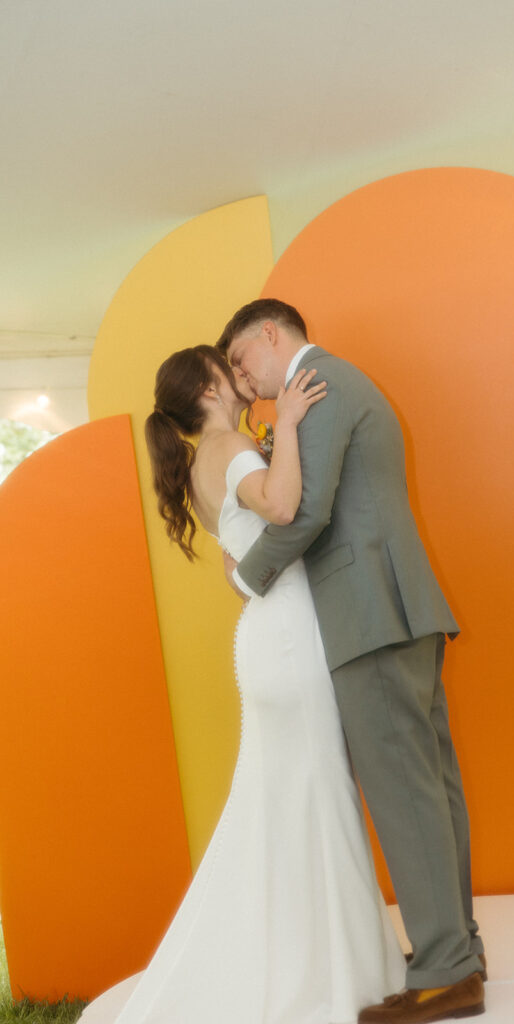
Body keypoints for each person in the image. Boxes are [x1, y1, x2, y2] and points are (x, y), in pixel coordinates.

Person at [77, 344, 405, 1024]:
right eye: (227, 368)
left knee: (282, 798)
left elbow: (236, 572)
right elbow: (284, 508)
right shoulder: (233, 446)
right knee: (317, 790)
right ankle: (339, 971)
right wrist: (285, 423)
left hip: (263, 634)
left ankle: (308, 958)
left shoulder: (199, 460)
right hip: (288, 639)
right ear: (207, 385)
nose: (241, 376)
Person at [217, 300, 486, 1023]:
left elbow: (306, 514)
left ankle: (447, 970)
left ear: (268, 335)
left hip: (369, 614)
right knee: (429, 785)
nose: (246, 382)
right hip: (397, 608)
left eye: (242, 362)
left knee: (405, 792)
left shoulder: (322, 385)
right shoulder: (329, 386)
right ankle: (455, 950)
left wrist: (245, 577)